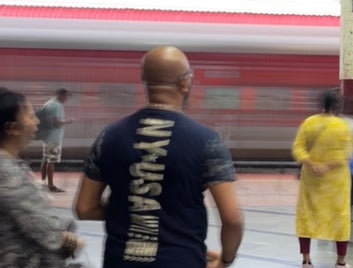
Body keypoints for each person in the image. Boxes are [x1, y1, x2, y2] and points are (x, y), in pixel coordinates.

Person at [73, 46, 244, 268]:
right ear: (185, 82)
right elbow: (232, 219)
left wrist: (137, 209)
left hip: (120, 261)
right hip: (181, 260)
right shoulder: (206, 140)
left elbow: (84, 208)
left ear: (144, 80)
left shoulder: (110, 135)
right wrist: (225, 261)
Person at [0, 87, 83, 267]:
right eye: (30, 116)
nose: (36, 122)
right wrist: (70, 241)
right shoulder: (5, 172)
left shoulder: (10, 164)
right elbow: (43, 227)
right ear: (12, 128)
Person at [292, 89, 353, 268]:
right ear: (337, 105)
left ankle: (306, 260)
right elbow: (347, 153)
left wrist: (311, 164)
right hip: (337, 183)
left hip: (311, 180)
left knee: (307, 215)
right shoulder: (343, 126)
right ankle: (341, 262)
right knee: (340, 217)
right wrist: (328, 166)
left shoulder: (309, 123)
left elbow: (298, 148)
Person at [39, 88, 73, 192]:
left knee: (45, 159)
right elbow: (55, 122)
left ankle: (43, 183)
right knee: (51, 161)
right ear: (61, 95)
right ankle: (51, 186)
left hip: (46, 137)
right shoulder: (57, 105)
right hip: (53, 138)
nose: (67, 99)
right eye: (66, 96)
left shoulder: (48, 103)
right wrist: (67, 122)